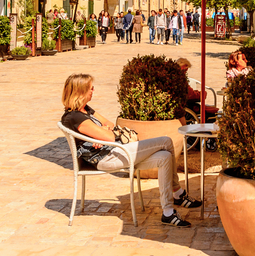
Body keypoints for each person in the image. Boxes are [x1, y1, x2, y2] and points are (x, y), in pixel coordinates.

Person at [60, 74, 202, 227]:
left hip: (116, 151)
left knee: (165, 156)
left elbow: (109, 124)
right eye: (90, 88)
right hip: (107, 159)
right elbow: (109, 136)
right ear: (80, 92)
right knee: (166, 141)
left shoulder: (85, 110)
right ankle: (178, 193)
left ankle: (168, 212)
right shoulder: (73, 117)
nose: (93, 91)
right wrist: (104, 134)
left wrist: (102, 131)